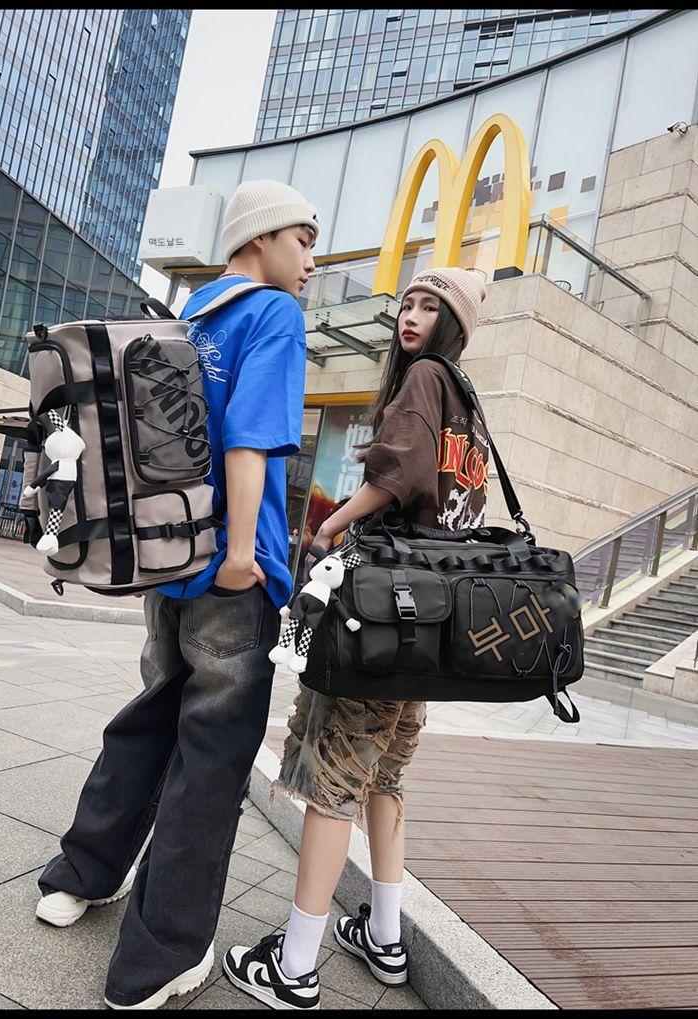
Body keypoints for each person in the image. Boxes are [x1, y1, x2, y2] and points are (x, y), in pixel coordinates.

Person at [35, 179, 319, 1010]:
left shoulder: (189, 315)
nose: (311, 260)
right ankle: (155, 961)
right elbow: (250, 442)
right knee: (212, 755)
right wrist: (243, 553)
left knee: (153, 715)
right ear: (260, 237)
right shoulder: (273, 314)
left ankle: (80, 875)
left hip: (168, 559)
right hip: (232, 566)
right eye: (303, 239)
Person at [223, 266, 489, 1010]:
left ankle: (296, 966)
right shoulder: (467, 400)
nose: (412, 314)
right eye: (409, 302)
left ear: (453, 323)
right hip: (431, 622)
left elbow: (396, 475)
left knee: (335, 778)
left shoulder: (424, 380)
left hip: (385, 619)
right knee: (386, 778)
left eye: (430, 306)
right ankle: (384, 933)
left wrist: (331, 524)